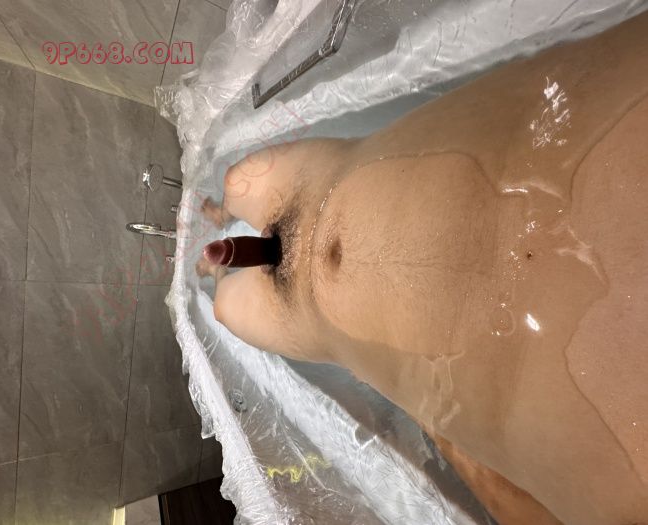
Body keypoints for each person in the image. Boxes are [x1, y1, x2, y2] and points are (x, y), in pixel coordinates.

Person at [196, 11, 648, 525]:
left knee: (226, 304)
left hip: (312, 308)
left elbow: (525, 510)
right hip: (320, 183)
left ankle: (213, 267)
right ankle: (222, 218)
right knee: (235, 185)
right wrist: (437, 414)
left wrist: (437, 412)